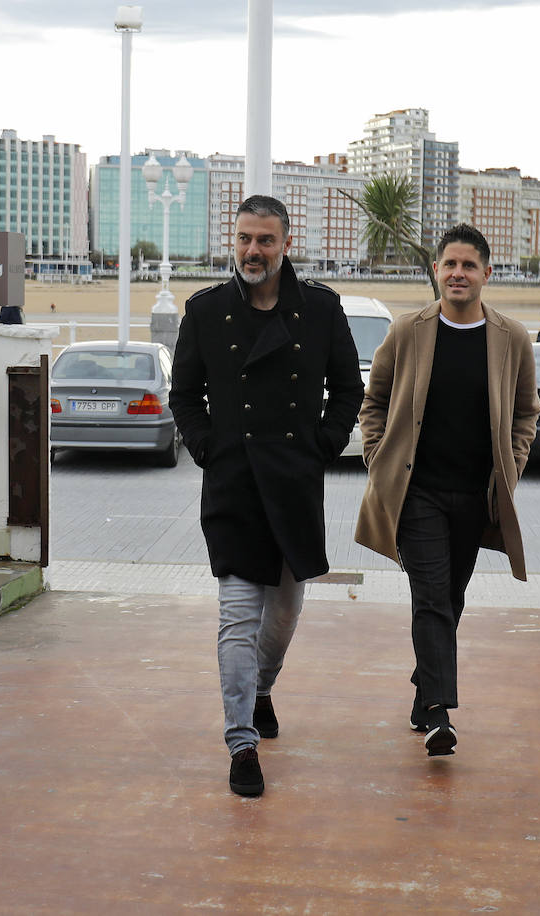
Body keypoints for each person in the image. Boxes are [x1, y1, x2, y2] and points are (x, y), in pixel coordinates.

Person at [171, 195, 363, 797]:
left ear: (285, 245)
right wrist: (211, 449)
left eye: (266, 240)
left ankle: (261, 689)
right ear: (234, 241)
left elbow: (348, 389)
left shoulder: (321, 310)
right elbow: (184, 397)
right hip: (233, 484)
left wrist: (322, 446)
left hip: (293, 483)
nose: (254, 250)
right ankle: (240, 743)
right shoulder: (205, 312)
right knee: (237, 618)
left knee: (284, 614)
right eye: (245, 239)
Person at [355, 223, 540, 757]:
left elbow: (526, 412)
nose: (457, 273)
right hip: (418, 495)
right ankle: (439, 714)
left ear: (486, 273)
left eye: (468, 265)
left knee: (451, 598)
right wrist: (376, 456)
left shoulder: (512, 338)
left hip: (475, 497)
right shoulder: (409, 330)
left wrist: (514, 465)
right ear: (436, 271)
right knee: (431, 596)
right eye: (449, 264)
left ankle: (422, 690)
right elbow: (376, 399)